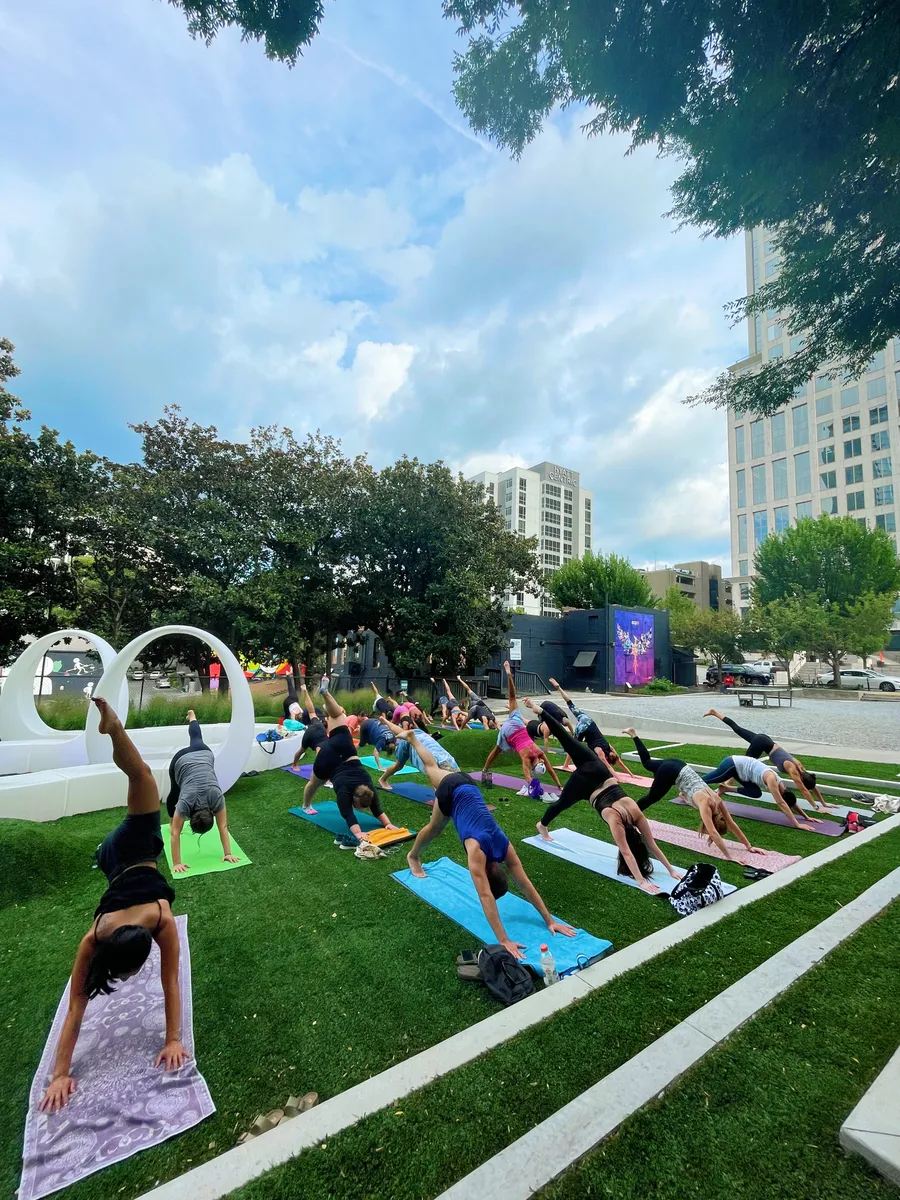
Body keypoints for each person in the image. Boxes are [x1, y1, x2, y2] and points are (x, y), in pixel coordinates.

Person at [40, 697, 187, 1113]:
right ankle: (114, 729)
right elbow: (169, 982)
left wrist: (61, 1074)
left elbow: (76, 1006)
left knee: (142, 777)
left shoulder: (145, 920)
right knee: (140, 776)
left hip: (123, 853)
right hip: (119, 858)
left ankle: (115, 729)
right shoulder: (152, 920)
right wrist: (172, 1038)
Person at [400, 728, 575, 960]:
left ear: (500, 870)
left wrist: (550, 921)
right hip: (452, 791)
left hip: (469, 785)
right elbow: (485, 896)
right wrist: (504, 940)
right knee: (434, 827)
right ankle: (413, 856)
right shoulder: (477, 854)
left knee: (432, 770)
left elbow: (525, 884)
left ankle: (412, 738)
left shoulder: (503, 846)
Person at [533, 713, 684, 895]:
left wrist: (672, 871)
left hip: (590, 780)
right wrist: (643, 881)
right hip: (596, 774)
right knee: (561, 800)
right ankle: (542, 825)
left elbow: (648, 845)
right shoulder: (617, 818)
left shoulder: (632, 813)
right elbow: (630, 851)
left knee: (568, 745)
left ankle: (541, 711)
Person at [621, 729, 771, 861]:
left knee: (647, 763)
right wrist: (730, 857)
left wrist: (749, 846)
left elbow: (732, 824)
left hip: (680, 764)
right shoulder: (706, 805)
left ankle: (633, 734)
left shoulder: (718, 800)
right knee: (651, 798)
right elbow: (713, 831)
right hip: (671, 773)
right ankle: (628, 818)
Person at [301, 683, 402, 840]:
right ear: (354, 798)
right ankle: (306, 806)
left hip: (343, 749)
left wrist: (387, 824)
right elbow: (348, 814)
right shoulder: (345, 792)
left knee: (337, 716)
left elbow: (376, 809)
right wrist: (358, 833)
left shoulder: (368, 788)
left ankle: (326, 694)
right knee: (314, 783)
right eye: (360, 807)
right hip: (328, 758)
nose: (360, 809)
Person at [703, 709, 833, 812]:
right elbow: (804, 790)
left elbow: (811, 785)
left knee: (737, 729)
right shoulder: (794, 771)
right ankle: (725, 786)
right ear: (803, 781)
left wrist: (824, 803)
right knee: (740, 767)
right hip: (763, 745)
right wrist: (816, 807)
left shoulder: (802, 769)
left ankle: (715, 713)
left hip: (765, 740)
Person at [167, 710, 240, 873]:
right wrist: (176, 863)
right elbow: (175, 834)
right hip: (182, 760)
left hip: (204, 754)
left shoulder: (216, 798)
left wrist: (228, 853)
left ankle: (192, 717)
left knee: (196, 739)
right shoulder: (185, 802)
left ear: (212, 813)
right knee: (175, 791)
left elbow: (222, 826)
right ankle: (192, 718)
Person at [481, 662, 562, 794]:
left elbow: (548, 769)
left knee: (512, 697)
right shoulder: (527, 757)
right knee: (496, 751)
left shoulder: (539, 753)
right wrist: (556, 786)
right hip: (508, 732)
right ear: (534, 766)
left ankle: (509, 675)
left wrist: (558, 785)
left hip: (517, 725)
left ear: (539, 762)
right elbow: (528, 775)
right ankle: (484, 770)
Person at [700, 751, 817, 832]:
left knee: (756, 792)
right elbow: (781, 803)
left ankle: (725, 788)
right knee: (704, 780)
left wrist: (806, 817)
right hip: (732, 764)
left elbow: (790, 800)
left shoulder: (783, 786)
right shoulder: (772, 780)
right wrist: (797, 823)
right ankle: (686, 790)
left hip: (741, 772)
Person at [546, 678, 635, 777]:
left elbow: (618, 760)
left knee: (571, 704)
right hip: (583, 728)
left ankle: (559, 688)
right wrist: (618, 778)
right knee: (573, 745)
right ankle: (565, 765)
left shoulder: (609, 747)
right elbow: (609, 767)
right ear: (608, 758)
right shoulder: (600, 752)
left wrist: (631, 774)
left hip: (588, 720)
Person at [377, 717, 459, 789]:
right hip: (410, 743)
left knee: (402, 732)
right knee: (398, 765)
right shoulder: (435, 769)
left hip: (421, 735)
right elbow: (439, 794)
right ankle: (382, 779)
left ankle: (385, 721)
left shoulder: (456, 768)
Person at [291, 679, 330, 769]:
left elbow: (311, 712)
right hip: (311, 734)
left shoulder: (326, 741)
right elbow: (318, 759)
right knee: (303, 751)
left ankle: (294, 765)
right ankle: (294, 765)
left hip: (317, 728)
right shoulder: (324, 746)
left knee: (312, 713)